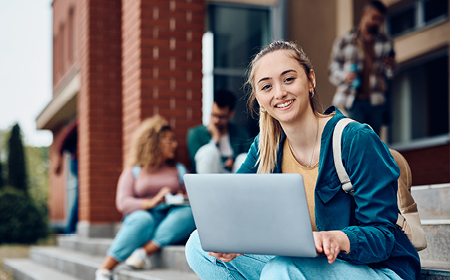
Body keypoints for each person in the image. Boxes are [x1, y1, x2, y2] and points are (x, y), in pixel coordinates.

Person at [185, 41, 420, 280]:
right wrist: (232, 235)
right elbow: (230, 210)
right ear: (258, 97)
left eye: (288, 79)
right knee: (199, 246)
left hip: (378, 269)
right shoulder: (267, 146)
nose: (279, 93)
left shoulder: (354, 139)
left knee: (281, 270)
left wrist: (338, 238)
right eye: (266, 86)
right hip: (309, 264)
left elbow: (382, 237)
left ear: (310, 80)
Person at [95, 115, 196, 280]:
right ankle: (104, 270)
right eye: (169, 140)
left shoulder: (179, 170)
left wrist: (181, 196)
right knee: (143, 220)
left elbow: (192, 197)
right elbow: (123, 203)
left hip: (170, 218)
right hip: (142, 217)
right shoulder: (134, 172)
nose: (175, 145)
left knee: (189, 213)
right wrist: (151, 202)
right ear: (154, 142)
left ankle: (142, 252)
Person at [328, 0, 396, 136]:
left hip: (377, 101)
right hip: (352, 100)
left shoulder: (386, 42)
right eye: (374, 18)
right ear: (365, 14)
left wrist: (391, 66)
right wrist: (344, 76)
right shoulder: (344, 40)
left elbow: (390, 74)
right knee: (354, 139)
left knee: (373, 140)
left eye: (380, 20)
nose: (377, 23)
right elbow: (332, 69)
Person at [187, 89, 251, 173]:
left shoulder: (241, 134)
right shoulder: (196, 134)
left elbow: (250, 159)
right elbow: (197, 163)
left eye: (221, 117)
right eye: (214, 115)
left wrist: (233, 160)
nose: (216, 120)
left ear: (231, 114)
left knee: (243, 158)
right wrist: (214, 139)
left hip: (234, 175)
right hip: (210, 177)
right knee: (208, 152)